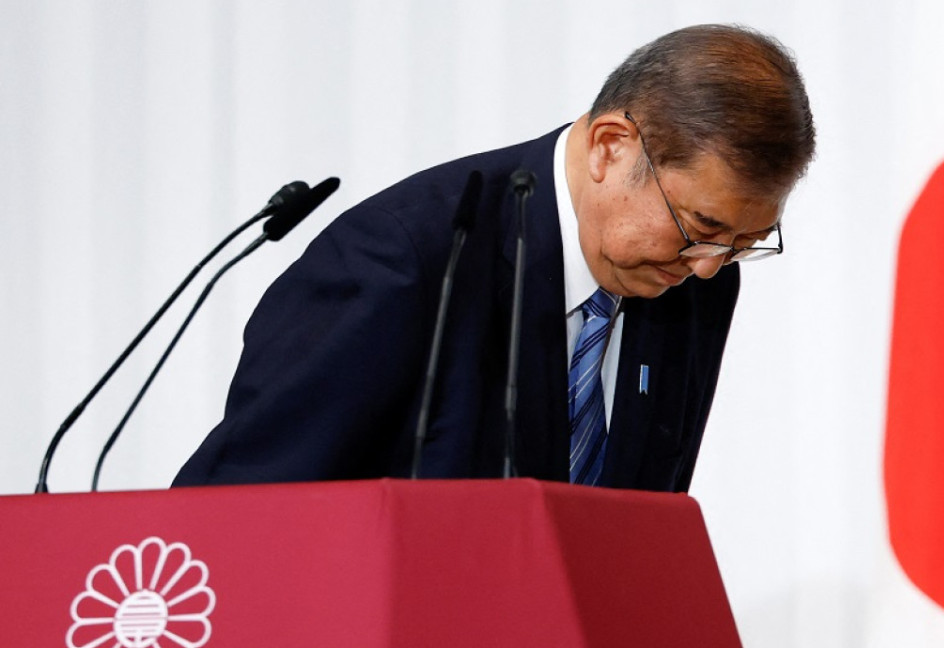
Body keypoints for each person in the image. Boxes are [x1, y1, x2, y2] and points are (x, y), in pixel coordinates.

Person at [173, 24, 815, 492]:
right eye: (701, 225)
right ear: (611, 147)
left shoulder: (693, 277)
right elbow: (239, 513)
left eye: (743, 244)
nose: (708, 265)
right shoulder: (405, 258)